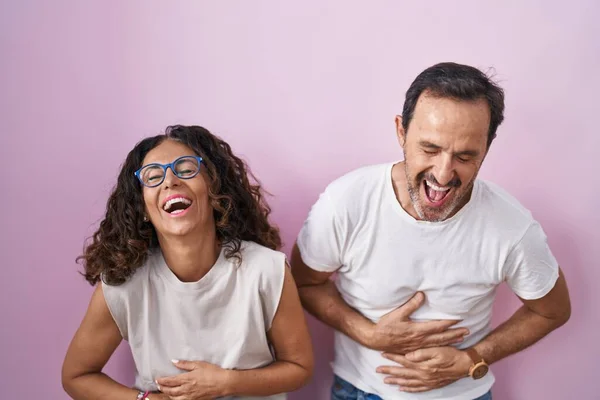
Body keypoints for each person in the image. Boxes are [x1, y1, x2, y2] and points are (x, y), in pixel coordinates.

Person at [290, 62, 571, 400]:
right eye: (430, 149)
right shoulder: (346, 202)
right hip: (358, 391)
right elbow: (305, 282)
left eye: (465, 156)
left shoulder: (512, 227)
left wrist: (473, 359)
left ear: (486, 148)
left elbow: (552, 309)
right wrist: (368, 334)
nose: (443, 173)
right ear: (401, 132)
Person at [62, 125, 313, 400]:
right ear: (142, 209)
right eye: (154, 176)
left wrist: (227, 382)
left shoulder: (267, 270)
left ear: (214, 189)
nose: (170, 181)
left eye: (185, 169)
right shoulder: (124, 284)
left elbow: (298, 368)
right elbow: (76, 376)